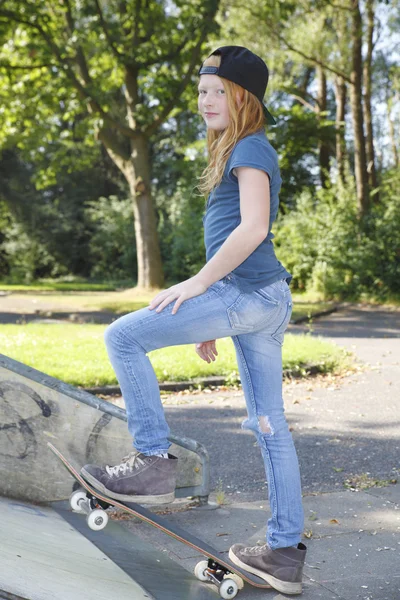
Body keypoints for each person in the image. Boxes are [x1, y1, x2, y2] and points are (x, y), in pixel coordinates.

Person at [81, 45, 307, 595]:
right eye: (201, 91)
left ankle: (154, 462)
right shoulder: (238, 149)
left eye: (216, 91)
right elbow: (239, 239)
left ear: (243, 97)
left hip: (247, 297)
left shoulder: (251, 147)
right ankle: (283, 552)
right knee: (269, 426)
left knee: (124, 335)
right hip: (262, 299)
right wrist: (213, 316)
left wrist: (198, 287)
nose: (205, 100)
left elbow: (251, 228)